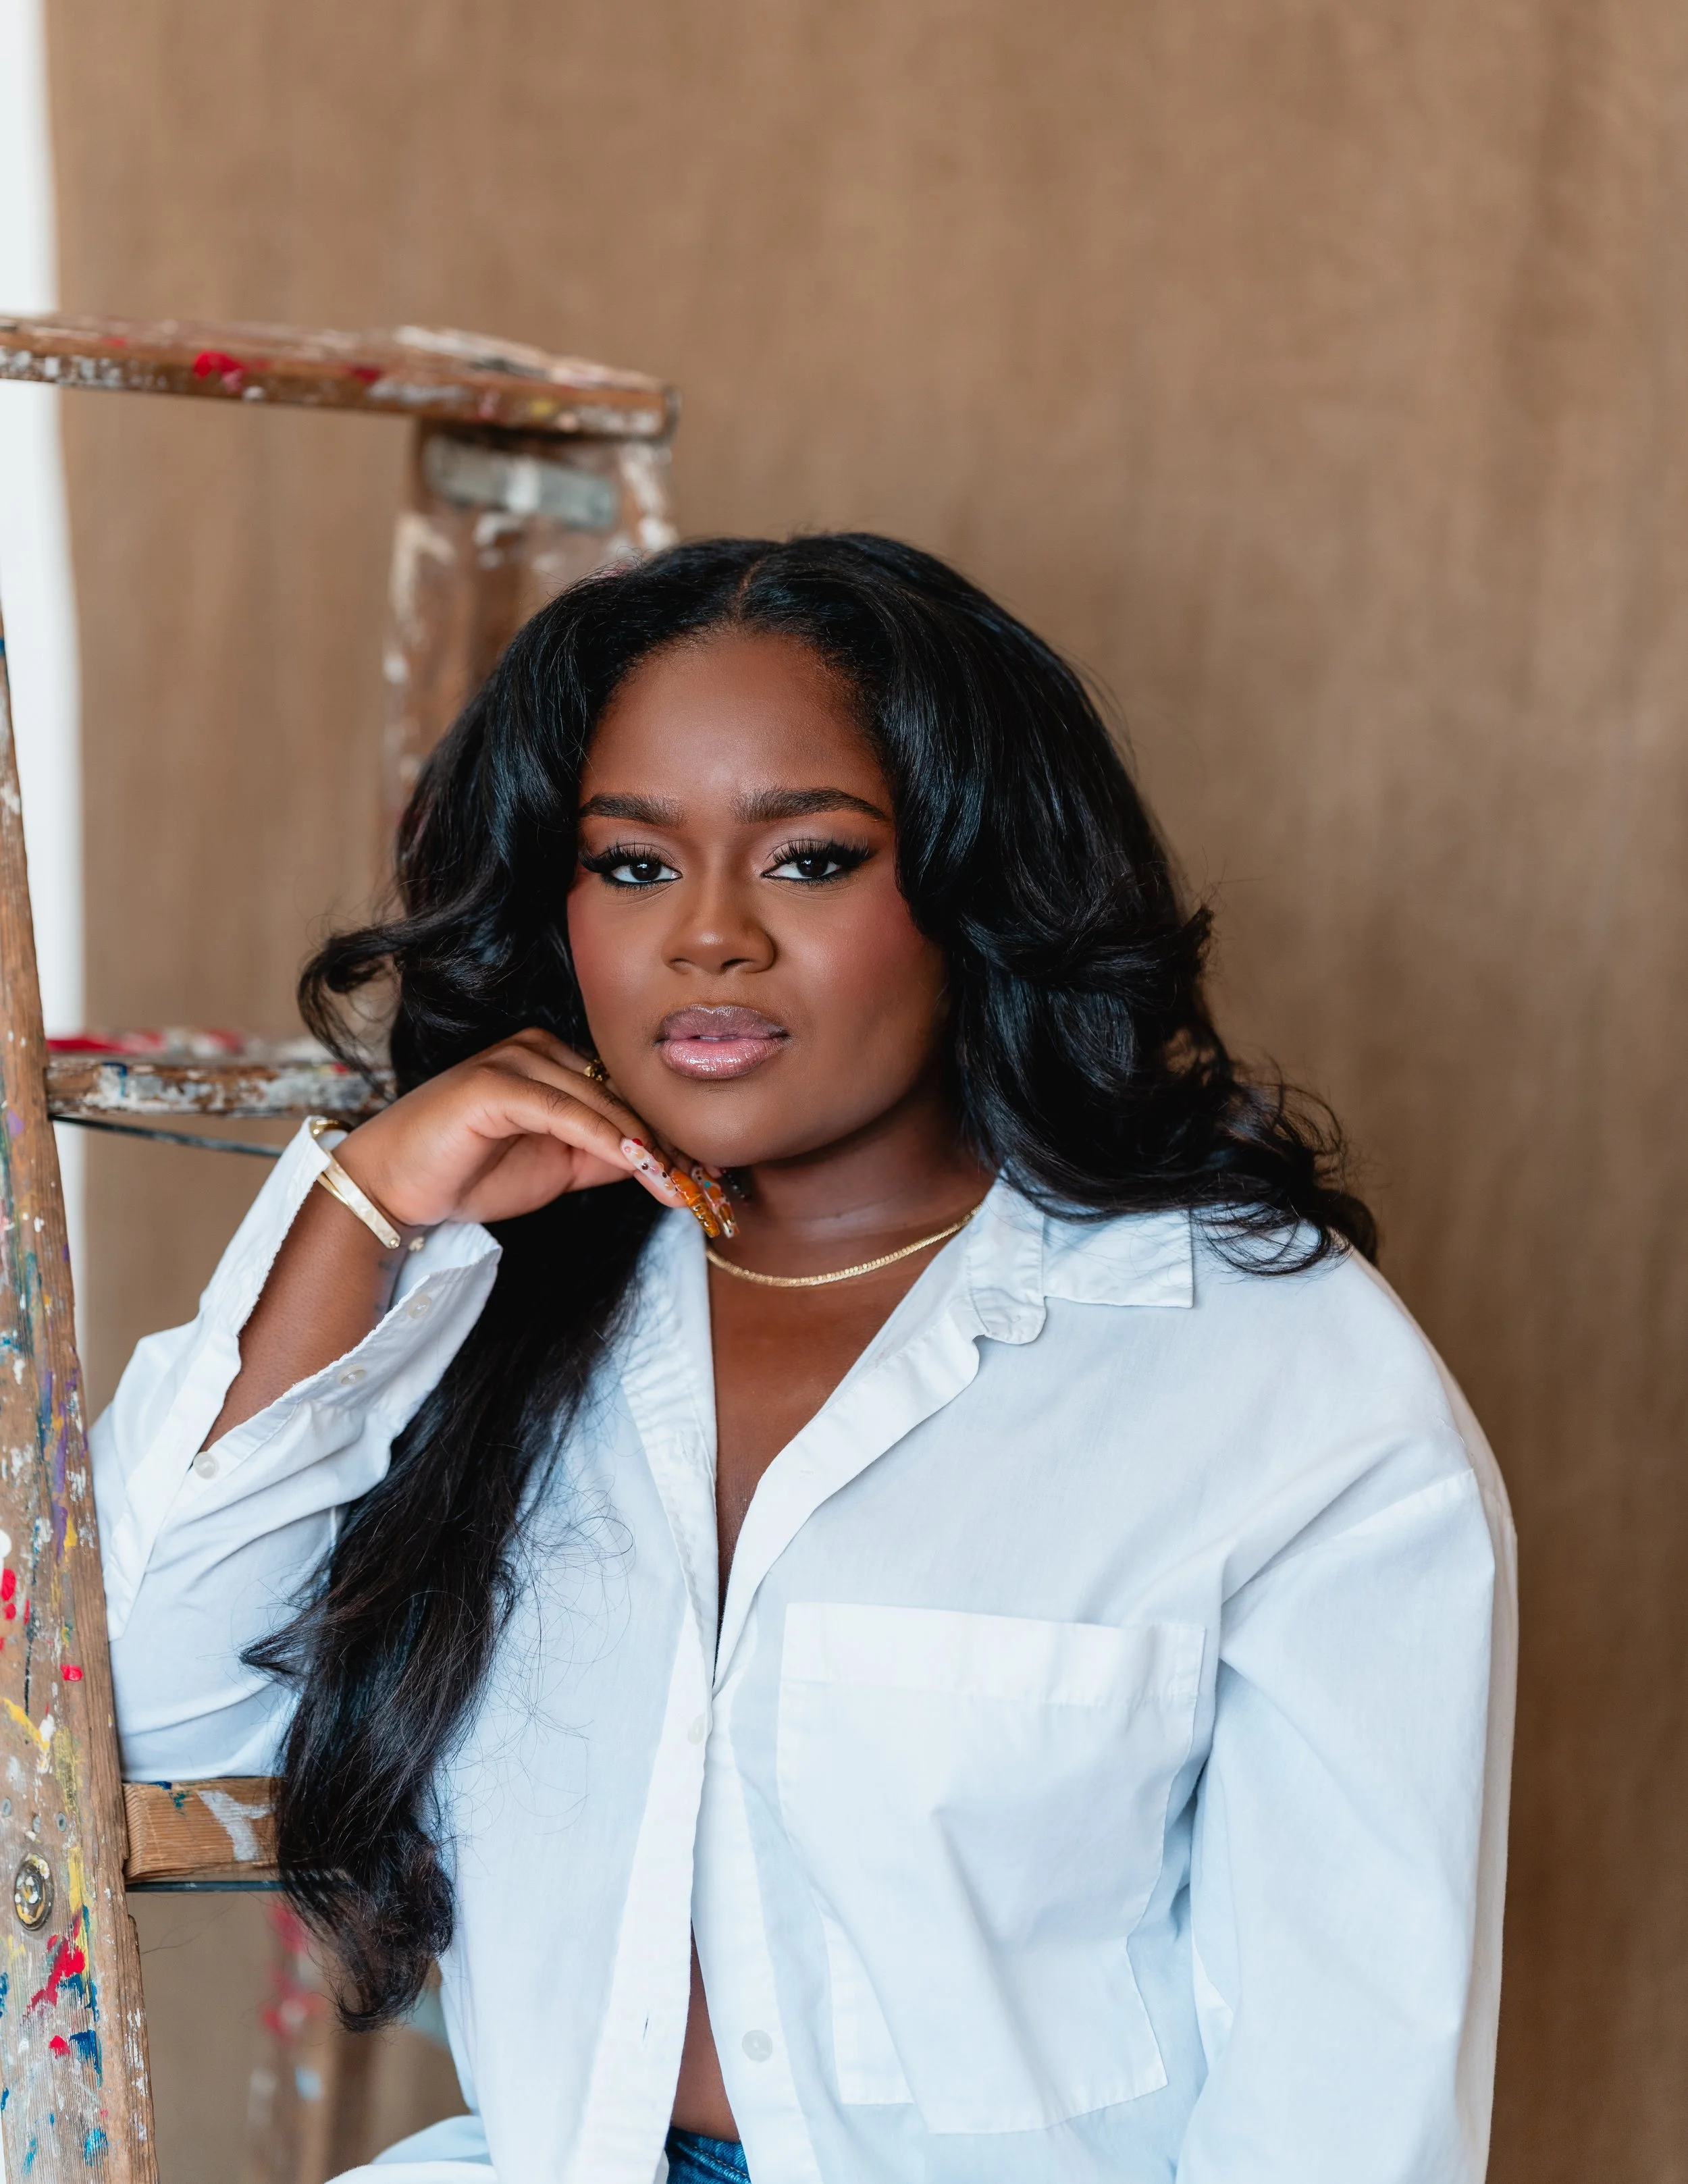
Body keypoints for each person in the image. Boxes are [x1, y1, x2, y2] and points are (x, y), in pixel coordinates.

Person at [93, 535, 1516, 2184]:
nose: (708, 940)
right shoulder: (490, 1305)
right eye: (631, 866)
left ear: (974, 891)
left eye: (811, 860)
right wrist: (366, 1210)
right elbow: (134, 1707)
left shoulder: (1268, 1377)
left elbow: (1343, 2096)